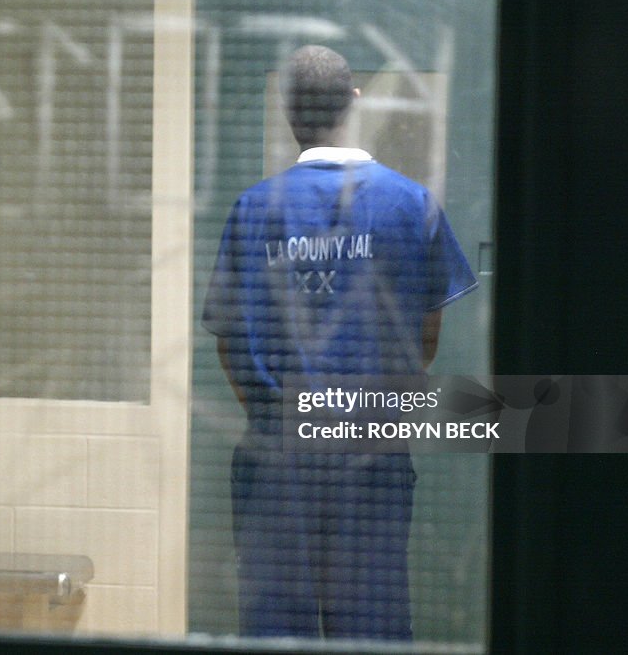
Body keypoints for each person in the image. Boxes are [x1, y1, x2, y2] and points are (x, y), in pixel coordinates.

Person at [202, 45, 478, 639]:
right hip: (370, 444)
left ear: (287, 110)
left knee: (277, 630)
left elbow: (228, 340)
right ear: (354, 102)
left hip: (277, 452)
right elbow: (426, 336)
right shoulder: (411, 205)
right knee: (371, 630)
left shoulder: (253, 210)